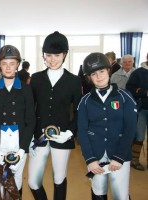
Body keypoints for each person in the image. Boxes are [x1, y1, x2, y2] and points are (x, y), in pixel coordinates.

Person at [28, 31, 82, 200]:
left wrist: (71, 132)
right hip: (39, 137)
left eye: (57, 55)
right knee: (32, 182)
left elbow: (80, 111)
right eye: (48, 55)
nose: (52, 59)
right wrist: (28, 135)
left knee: (59, 179)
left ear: (65, 54)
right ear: (43, 55)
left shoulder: (74, 81)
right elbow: (30, 109)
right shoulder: (36, 79)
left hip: (63, 137)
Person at [78, 52, 137, 200]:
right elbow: (83, 132)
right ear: (89, 78)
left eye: (102, 71)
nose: (98, 76)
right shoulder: (85, 101)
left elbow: (130, 129)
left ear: (108, 70)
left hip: (119, 154)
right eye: (93, 74)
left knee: (120, 195)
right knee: (98, 193)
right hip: (95, 157)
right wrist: (90, 159)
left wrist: (119, 157)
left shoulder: (125, 96)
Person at [0, 45, 35, 197]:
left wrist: (23, 147)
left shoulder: (26, 89)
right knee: (0, 179)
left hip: (19, 140)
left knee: (17, 178)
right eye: (4, 63)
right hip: (0, 140)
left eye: (12, 63)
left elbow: (30, 120)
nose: (8, 67)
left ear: (18, 65)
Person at [126, 57, 148, 171]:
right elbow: (129, 88)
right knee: (139, 136)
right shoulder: (138, 73)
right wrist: (144, 93)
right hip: (142, 109)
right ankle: (134, 160)